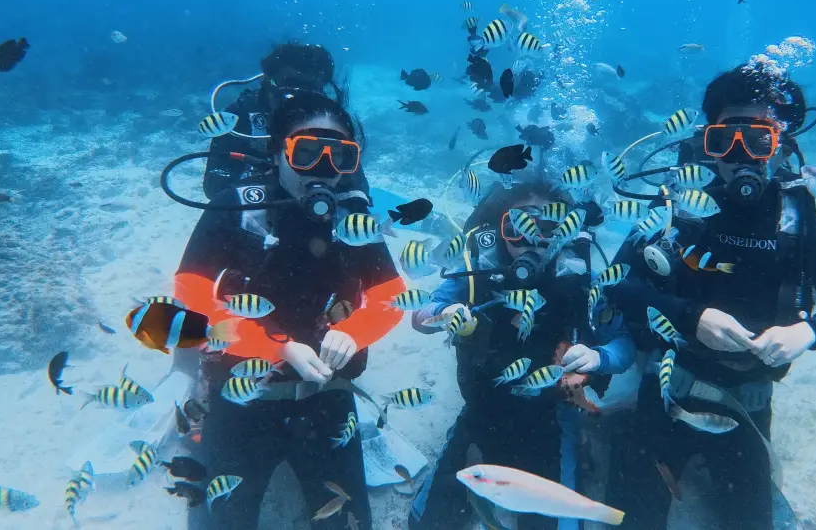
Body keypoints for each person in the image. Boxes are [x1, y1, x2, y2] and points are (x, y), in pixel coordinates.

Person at [603, 65, 816, 528]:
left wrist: (808, 331)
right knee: (631, 517)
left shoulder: (797, 211)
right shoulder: (682, 199)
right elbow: (618, 284)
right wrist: (690, 317)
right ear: (706, 139)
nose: (739, 155)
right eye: (724, 139)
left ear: (780, 142)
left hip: (748, 401)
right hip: (669, 386)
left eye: (759, 140)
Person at [174, 83, 406, 529]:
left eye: (339, 156)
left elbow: (390, 297)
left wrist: (354, 332)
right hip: (238, 389)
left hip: (325, 395)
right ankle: (194, 399)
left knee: (347, 522)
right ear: (278, 153)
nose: (323, 168)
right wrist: (274, 347)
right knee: (226, 521)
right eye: (306, 153)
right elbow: (191, 290)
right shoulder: (237, 209)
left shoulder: (354, 219)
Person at [408, 180, 635, 530]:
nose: (532, 240)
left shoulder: (580, 277)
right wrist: (443, 314)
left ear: (565, 231)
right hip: (484, 407)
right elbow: (420, 313)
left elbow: (623, 345)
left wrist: (598, 357)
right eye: (518, 226)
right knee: (427, 523)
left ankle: (583, 443)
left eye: (547, 228)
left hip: (551, 417)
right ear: (499, 228)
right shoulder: (476, 269)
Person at [203, 42, 339, 200]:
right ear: (268, 82)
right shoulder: (240, 115)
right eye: (289, 86)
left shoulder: (330, 121)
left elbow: (354, 181)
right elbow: (215, 186)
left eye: (309, 90)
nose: (298, 101)